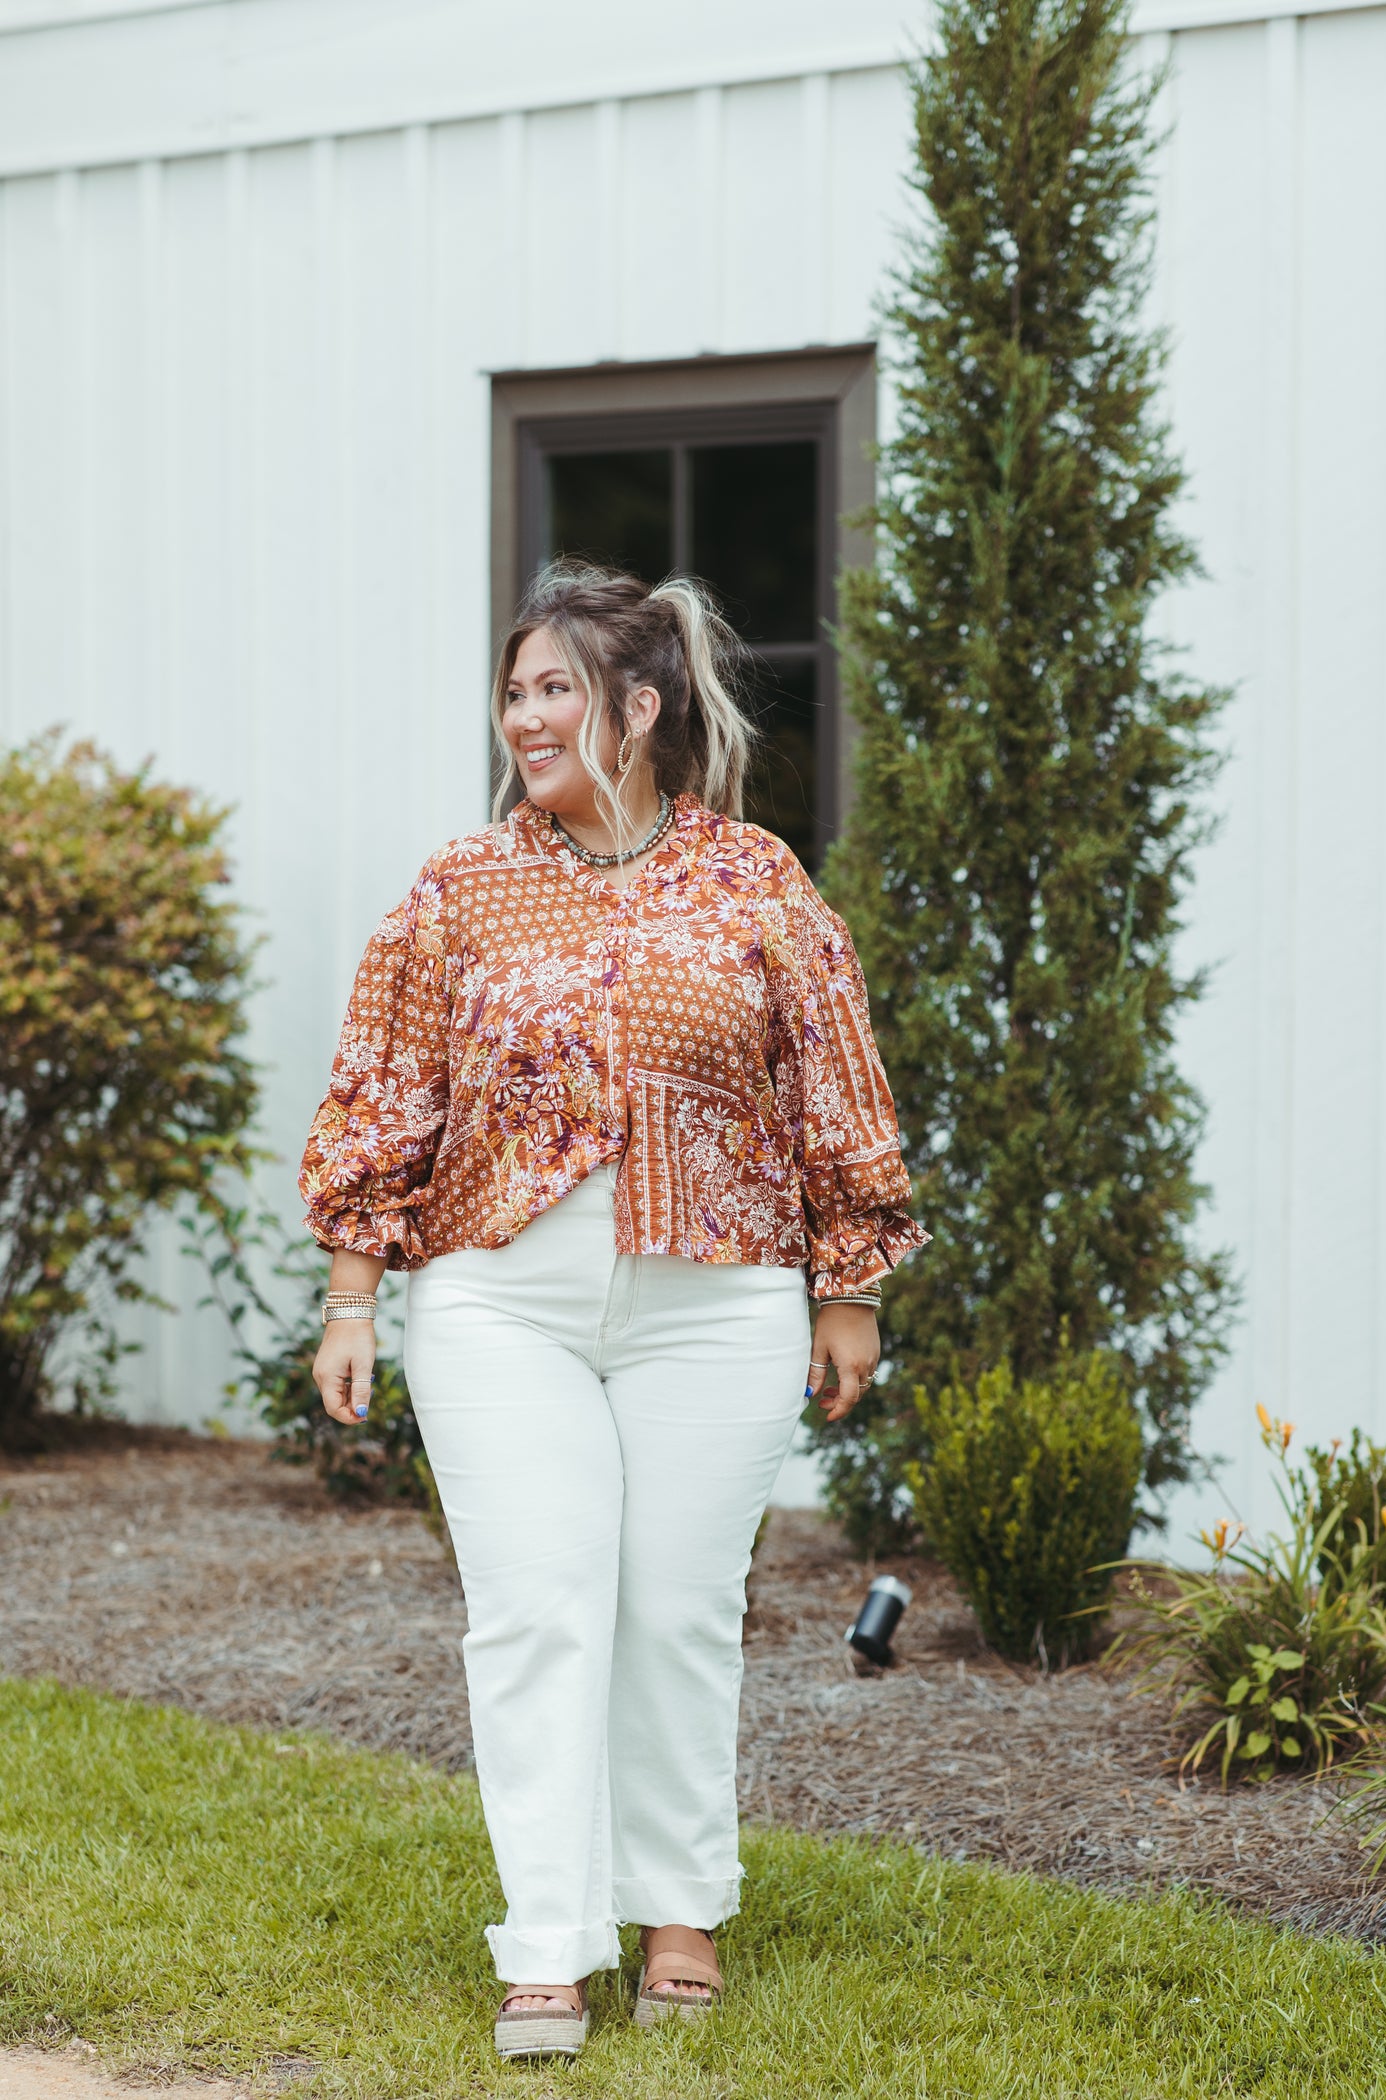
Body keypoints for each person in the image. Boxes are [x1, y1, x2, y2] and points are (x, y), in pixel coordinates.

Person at [299, 561, 926, 2062]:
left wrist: (849, 1287)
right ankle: (546, 1946)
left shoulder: (755, 879)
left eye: (554, 688)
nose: (524, 715)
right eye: (514, 690)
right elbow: (385, 1087)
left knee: (678, 1616)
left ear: (638, 709)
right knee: (537, 1609)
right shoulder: (459, 889)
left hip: (716, 1307)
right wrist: (351, 1293)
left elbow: (829, 1077)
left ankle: (681, 1911)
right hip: (499, 1302)